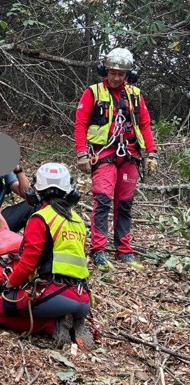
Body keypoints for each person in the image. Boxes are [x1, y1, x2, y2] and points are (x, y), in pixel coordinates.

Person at [0, 163, 93, 348]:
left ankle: (52, 326)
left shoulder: (41, 218)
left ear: (37, 191)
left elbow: (27, 264)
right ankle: (70, 320)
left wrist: (8, 286)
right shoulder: (78, 220)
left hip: (53, 294)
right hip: (83, 299)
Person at [75, 47, 158, 272]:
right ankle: (99, 250)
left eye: (121, 74)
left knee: (125, 203)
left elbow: (145, 125)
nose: (116, 77)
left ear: (128, 75)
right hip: (103, 154)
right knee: (102, 199)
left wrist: (152, 153)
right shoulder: (93, 93)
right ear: (106, 71)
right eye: (113, 72)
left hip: (130, 154)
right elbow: (81, 124)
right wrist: (82, 153)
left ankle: (124, 249)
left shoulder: (135, 95)